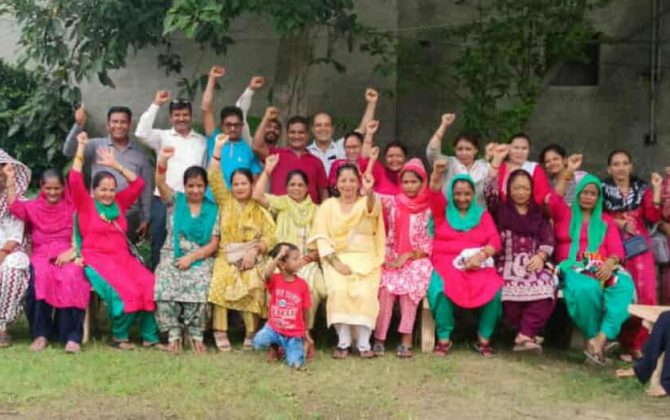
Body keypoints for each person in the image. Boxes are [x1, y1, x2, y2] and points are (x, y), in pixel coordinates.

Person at [70, 132, 161, 350]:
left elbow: (138, 184)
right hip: (97, 260)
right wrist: (81, 147)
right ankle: (120, 336)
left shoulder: (119, 203)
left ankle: (150, 336)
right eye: (103, 189)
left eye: (112, 189)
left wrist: (116, 166)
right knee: (124, 289)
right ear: (93, 191)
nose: (108, 194)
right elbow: (74, 179)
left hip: (123, 259)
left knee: (148, 283)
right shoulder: (86, 204)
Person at [548, 170, 635, 365]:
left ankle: (601, 338)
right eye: (584, 192)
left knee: (624, 285)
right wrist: (567, 174)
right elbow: (553, 201)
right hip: (573, 266)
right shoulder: (565, 214)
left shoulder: (606, 220)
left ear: (598, 197)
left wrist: (609, 264)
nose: (588, 197)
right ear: (577, 193)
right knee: (586, 289)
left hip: (601, 265)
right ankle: (594, 337)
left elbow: (616, 251)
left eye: (593, 193)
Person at [6, 167, 89, 353]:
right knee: (40, 280)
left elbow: (85, 235)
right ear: (41, 187)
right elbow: (14, 207)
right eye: (48, 188)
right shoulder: (33, 207)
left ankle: (71, 337)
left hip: (67, 254)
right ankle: (40, 335)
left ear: (64, 187)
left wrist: (72, 252)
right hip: (41, 255)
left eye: (57, 188)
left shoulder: (73, 208)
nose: (52, 192)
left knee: (73, 277)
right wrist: (10, 179)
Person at [427, 162, 503, 358]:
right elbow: (433, 193)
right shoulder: (442, 211)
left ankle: (483, 339)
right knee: (441, 288)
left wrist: (481, 255)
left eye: (467, 194)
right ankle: (444, 338)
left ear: (473, 194)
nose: (462, 198)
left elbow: (495, 241)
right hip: (446, 262)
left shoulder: (482, 215)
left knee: (493, 289)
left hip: (477, 261)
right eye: (458, 194)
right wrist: (436, 173)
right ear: (451, 194)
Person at [252, 154, 325, 357]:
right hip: (283, 262)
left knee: (312, 289)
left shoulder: (317, 210)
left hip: (307, 262)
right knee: (275, 289)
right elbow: (257, 196)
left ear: (307, 188)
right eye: (292, 184)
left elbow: (322, 241)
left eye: (300, 185)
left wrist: (306, 259)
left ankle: (303, 334)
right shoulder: (282, 203)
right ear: (286, 187)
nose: (296, 188)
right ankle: (277, 337)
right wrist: (267, 170)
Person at [208, 134, 276, 351]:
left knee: (253, 280)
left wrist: (255, 251)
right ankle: (220, 331)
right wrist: (217, 149)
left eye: (243, 183)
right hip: (226, 255)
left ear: (251, 184)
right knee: (221, 278)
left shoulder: (259, 206)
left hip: (252, 255)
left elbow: (270, 237)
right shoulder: (225, 200)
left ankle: (251, 332)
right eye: (235, 184)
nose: (239, 187)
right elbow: (213, 176)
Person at [486, 148, 556, 352]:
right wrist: (496, 163)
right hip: (506, 263)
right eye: (516, 188)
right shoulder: (500, 209)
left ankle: (524, 335)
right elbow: (489, 191)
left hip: (534, 263)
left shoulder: (538, 213)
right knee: (508, 295)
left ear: (531, 190)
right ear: (509, 188)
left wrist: (541, 256)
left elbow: (548, 238)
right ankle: (526, 334)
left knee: (547, 287)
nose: (521, 192)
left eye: (525, 188)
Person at [312, 164, 385, 359]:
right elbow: (321, 237)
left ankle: (363, 344)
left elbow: (373, 210)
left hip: (367, 259)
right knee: (339, 290)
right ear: (336, 183)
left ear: (358, 183)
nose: (348, 185)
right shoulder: (328, 206)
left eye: (352, 180)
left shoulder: (366, 202)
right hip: (337, 259)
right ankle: (343, 342)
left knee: (366, 293)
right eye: (343, 180)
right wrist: (336, 263)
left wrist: (369, 191)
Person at [153, 149, 220, 354]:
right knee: (163, 281)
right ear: (184, 186)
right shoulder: (176, 201)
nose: (195, 190)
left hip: (201, 257)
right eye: (191, 185)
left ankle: (195, 334)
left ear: (206, 187)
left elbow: (213, 244)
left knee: (202, 283)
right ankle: (173, 335)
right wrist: (163, 161)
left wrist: (192, 258)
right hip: (172, 254)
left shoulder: (213, 209)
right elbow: (160, 183)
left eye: (199, 186)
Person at [135, 91, 207, 270]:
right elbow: (141, 133)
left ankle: (182, 280)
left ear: (191, 116)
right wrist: (156, 104)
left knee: (189, 243)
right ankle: (155, 278)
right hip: (163, 200)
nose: (181, 118)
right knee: (159, 241)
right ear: (171, 117)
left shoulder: (201, 141)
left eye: (185, 114)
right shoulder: (163, 136)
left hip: (192, 201)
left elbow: (205, 171)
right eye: (177, 115)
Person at [602, 150, 662, 359]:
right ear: (609, 169)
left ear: (631, 166)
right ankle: (616, 340)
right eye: (616, 164)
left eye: (625, 163)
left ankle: (636, 344)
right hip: (611, 243)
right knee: (620, 290)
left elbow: (653, 216)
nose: (621, 168)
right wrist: (617, 222)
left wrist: (656, 189)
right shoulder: (602, 189)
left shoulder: (641, 189)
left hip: (639, 247)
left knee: (646, 293)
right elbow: (595, 213)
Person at [63, 105, 152, 242]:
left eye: (123, 122)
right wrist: (79, 125)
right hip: (97, 212)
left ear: (129, 125)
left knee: (122, 248)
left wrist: (145, 217)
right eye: (115, 122)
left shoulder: (139, 153)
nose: (118, 126)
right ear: (108, 125)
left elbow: (145, 187)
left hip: (127, 213)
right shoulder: (96, 145)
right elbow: (68, 151)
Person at [372, 158, 432, 358]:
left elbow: (432, 241)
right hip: (394, 256)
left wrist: (410, 255)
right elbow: (372, 199)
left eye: (414, 181)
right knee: (385, 289)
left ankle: (406, 339)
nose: (409, 186)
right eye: (405, 182)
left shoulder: (429, 208)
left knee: (409, 290)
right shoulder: (394, 202)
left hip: (419, 259)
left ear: (422, 182)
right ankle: (379, 338)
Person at [253, 243, 313, 369]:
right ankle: (275, 346)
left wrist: (306, 331)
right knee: (258, 342)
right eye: (295, 258)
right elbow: (267, 274)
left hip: (293, 334)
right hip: (274, 329)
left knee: (296, 363)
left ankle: (296, 347)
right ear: (282, 264)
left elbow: (306, 309)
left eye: (299, 258)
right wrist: (279, 256)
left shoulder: (302, 285)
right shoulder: (275, 280)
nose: (299, 261)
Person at [201, 66, 263, 187]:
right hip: (211, 197)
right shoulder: (215, 139)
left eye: (236, 125)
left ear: (242, 125)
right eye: (228, 125)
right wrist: (212, 79)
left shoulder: (248, 150)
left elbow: (255, 181)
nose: (233, 128)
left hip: (237, 198)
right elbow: (206, 108)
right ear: (221, 125)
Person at [253, 108, 329, 203]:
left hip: (309, 211)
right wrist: (266, 118)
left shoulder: (316, 162)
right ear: (287, 134)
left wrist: (325, 211)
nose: (296, 136)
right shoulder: (276, 155)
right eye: (292, 132)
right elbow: (257, 146)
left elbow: (323, 193)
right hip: (279, 210)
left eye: (301, 132)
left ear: (307, 135)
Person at [308, 88, 379, 176]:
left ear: (333, 128)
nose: (323, 128)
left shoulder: (343, 146)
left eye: (327, 125)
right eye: (318, 125)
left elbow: (363, 129)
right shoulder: (306, 152)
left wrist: (371, 103)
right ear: (312, 129)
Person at [426, 113, 492, 206]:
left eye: (468, 149)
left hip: (478, 213)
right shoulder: (449, 164)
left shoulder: (484, 166)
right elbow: (432, 153)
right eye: (460, 149)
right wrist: (444, 125)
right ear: (455, 150)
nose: (464, 153)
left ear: (475, 150)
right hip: (451, 212)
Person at [0, 150, 31, 348]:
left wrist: (2, 254)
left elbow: (14, 237)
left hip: (11, 251)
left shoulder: (17, 201)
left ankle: (2, 326)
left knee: (11, 271)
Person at [497, 133, 551, 205]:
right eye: (516, 148)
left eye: (524, 148)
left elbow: (542, 193)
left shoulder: (534, 168)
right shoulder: (498, 166)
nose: (520, 152)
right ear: (508, 148)